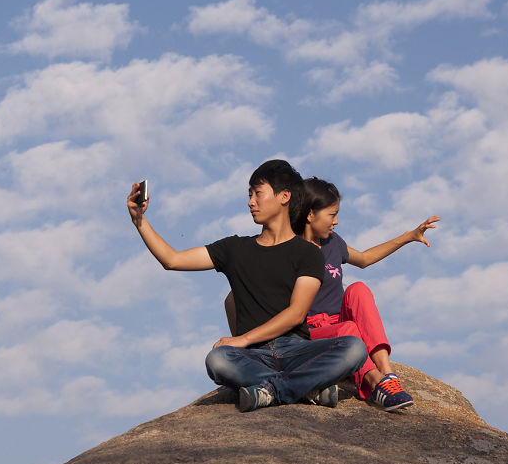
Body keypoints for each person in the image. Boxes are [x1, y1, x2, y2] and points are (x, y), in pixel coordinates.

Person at [128, 160, 367, 413]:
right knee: (218, 359)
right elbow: (172, 260)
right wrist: (139, 220)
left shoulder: (308, 253)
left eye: (257, 193)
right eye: (249, 194)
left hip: (296, 350)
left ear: (284, 196)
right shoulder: (235, 249)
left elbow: (297, 313)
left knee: (354, 347)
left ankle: (270, 391)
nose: (251, 202)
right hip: (253, 356)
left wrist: (242, 339)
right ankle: (305, 388)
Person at [225, 177, 439, 411]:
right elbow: (235, 298)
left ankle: (388, 377)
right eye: (331, 214)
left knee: (359, 289)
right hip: (306, 335)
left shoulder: (333, 243)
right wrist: (247, 345)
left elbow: (365, 259)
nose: (336, 221)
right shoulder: (289, 248)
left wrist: (408, 236)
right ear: (310, 215)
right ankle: (373, 381)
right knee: (349, 331)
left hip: (338, 323)